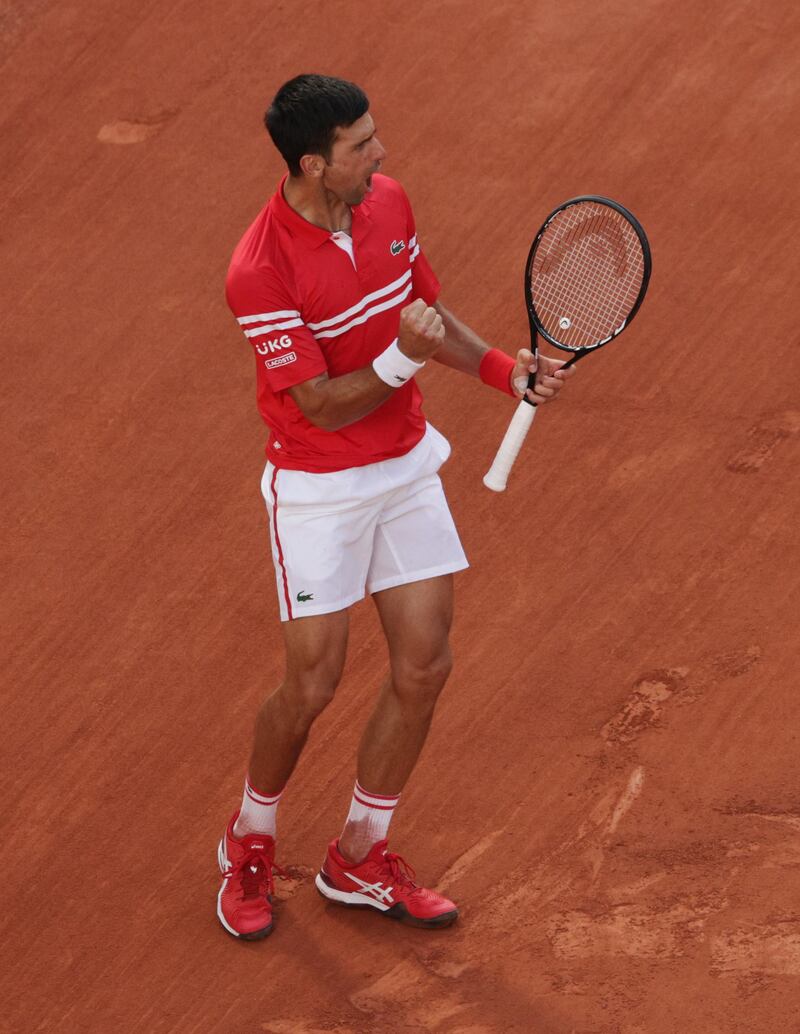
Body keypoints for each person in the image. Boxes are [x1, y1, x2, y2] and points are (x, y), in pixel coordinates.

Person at [219, 73, 574, 940]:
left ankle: (359, 856)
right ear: (313, 162)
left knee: (424, 664)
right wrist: (400, 364)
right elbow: (320, 406)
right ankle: (250, 842)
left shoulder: (389, 203)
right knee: (312, 681)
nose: (380, 156)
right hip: (319, 487)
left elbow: (423, 313)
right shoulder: (259, 270)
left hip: (405, 469)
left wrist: (501, 369)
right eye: (360, 146)